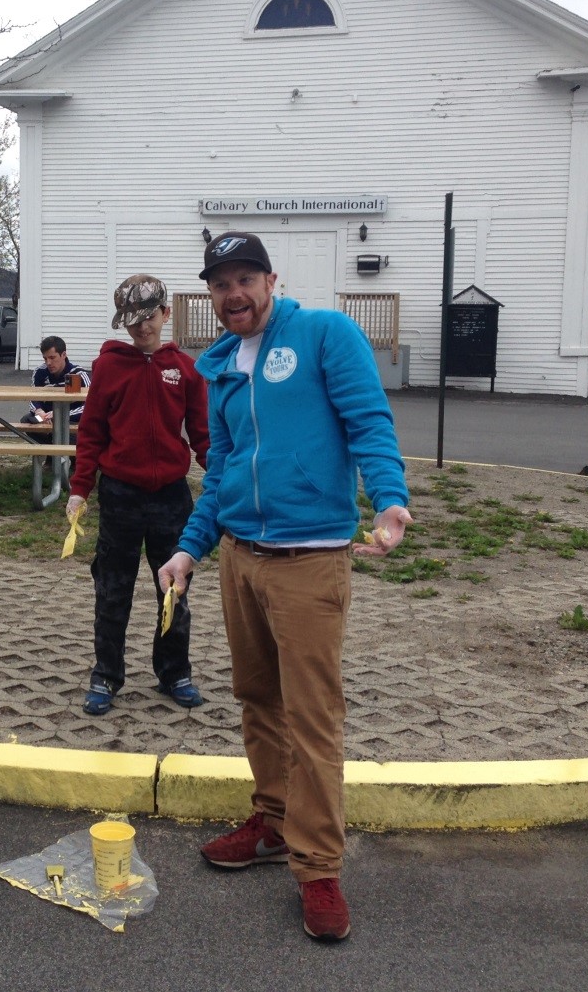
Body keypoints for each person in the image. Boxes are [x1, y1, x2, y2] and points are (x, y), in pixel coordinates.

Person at [158, 232, 412, 944]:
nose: (233, 294)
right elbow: (223, 467)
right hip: (240, 557)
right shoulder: (219, 365)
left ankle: (319, 865)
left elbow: (368, 421)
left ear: (272, 280)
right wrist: (189, 548)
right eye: (220, 284)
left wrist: (388, 496)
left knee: (312, 716)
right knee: (258, 699)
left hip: (310, 561)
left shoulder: (325, 333)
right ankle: (273, 821)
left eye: (245, 279)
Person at [66, 274, 210, 716]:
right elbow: (91, 432)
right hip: (120, 496)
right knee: (112, 589)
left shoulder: (186, 369)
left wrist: (225, 478)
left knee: (174, 588)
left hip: (171, 498)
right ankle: (106, 675)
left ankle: (174, 672)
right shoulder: (108, 367)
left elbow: (202, 434)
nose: (142, 327)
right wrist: (80, 488)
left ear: (165, 314)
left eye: (149, 317)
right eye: (132, 321)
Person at [20, 335, 89, 442]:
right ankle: (50, 449)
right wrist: (39, 411)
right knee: (27, 420)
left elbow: (90, 405)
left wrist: (59, 415)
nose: (48, 363)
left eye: (52, 358)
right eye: (45, 358)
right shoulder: (40, 372)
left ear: (63, 355)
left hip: (71, 419)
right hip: (46, 418)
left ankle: (55, 449)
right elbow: (34, 398)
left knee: (67, 430)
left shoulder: (77, 374)